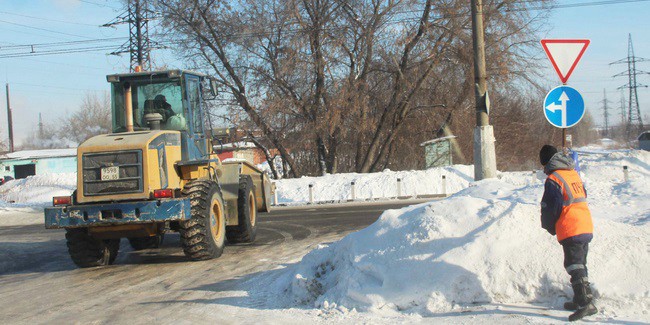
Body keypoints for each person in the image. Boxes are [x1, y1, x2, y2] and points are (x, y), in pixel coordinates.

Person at [539, 144, 597, 321]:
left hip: (571, 227)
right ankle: (579, 299)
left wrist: (548, 225)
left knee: (574, 265)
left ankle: (587, 304)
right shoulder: (572, 174)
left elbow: (551, 207)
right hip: (585, 224)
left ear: (546, 162)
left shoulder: (554, 179)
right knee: (580, 264)